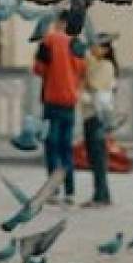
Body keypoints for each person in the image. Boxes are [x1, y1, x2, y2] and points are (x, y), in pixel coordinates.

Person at [32, 13, 85, 205]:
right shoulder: (77, 43)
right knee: (66, 148)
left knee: (52, 146)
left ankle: (53, 190)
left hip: (52, 100)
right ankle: (70, 191)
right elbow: (82, 69)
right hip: (70, 101)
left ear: (57, 23)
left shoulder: (48, 40)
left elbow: (39, 69)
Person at [80, 34, 119, 208]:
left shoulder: (106, 65)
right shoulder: (97, 64)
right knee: (93, 156)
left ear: (105, 49)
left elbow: (95, 85)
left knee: (98, 156)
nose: (92, 50)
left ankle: (102, 195)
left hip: (98, 115)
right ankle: (99, 193)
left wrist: (85, 77)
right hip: (90, 114)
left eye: (96, 46)